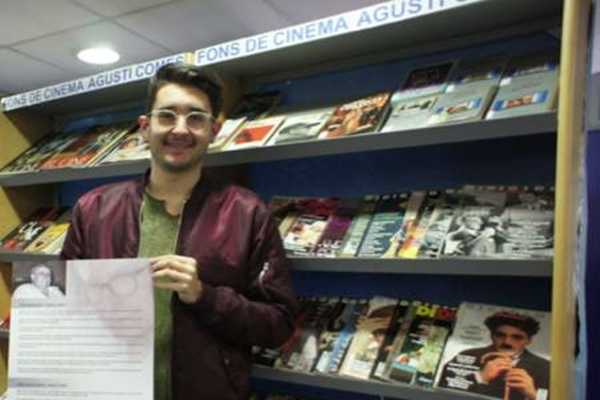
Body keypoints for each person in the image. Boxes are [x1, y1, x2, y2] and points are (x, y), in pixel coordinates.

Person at [61, 63, 298, 400]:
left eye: (196, 117)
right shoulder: (93, 209)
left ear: (214, 130)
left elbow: (278, 324)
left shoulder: (248, 213)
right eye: (167, 115)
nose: (181, 129)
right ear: (145, 127)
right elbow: (63, 305)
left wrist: (205, 296)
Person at [438, 311, 550, 400]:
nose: (507, 342)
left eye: (517, 337)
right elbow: (441, 388)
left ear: (529, 341)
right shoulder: (467, 355)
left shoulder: (545, 367)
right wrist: (480, 377)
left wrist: (533, 395)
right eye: (500, 335)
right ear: (491, 336)